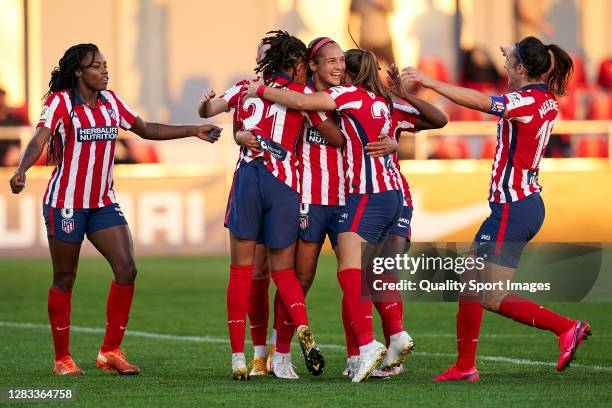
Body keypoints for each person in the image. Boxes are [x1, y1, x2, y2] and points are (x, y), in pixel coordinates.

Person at [9, 43, 221, 376]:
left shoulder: (111, 102)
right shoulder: (61, 103)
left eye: (106, 65)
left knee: (127, 269)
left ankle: (109, 352)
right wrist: (22, 169)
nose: (105, 71)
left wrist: (193, 130)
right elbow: (39, 139)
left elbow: (147, 129)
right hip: (66, 203)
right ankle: (62, 359)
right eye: (97, 66)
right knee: (65, 278)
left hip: (103, 203)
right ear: (78, 72)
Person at [400, 36, 591, 381]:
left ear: (522, 68)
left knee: (485, 293)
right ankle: (465, 366)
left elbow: (479, 101)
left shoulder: (524, 102)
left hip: (513, 207)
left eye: (510, 63)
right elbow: (518, 81)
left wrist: (429, 82)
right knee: (473, 287)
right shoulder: (543, 97)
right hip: (522, 204)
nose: (503, 65)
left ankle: (565, 328)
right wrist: (515, 57)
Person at [245, 48, 412, 383]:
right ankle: (280, 354)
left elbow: (430, 120)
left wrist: (395, 139)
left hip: (350, 198)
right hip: (312, 200)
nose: (338, 66)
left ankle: (358, 356)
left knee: (357, 276)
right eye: (331, 61)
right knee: (304, 278)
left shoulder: (339, 99)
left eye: (341, 61)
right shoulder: (304, 98)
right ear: (314, 66)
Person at [341, 64, 448, 378]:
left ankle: (372, 353)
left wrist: (402, 94)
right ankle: (384, 352)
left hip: (376, 197)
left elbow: (439, 119)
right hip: (391, 197)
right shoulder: (377, 106)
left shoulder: (376, 105)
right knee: (374, 275)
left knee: (362, 275)